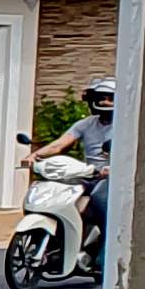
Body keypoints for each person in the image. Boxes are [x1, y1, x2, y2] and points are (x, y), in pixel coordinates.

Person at [25, 77, 118, 267]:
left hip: (112, 176)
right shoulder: (86, 124)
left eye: (110, 98)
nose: (104, 102)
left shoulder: (125, 126)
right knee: (59, 196)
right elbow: (60, 143)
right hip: (88, 172)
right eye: (101, 97)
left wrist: (114, 167)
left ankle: (106, 251)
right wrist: (34, 156)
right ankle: (58, 243)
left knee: (101, 199)